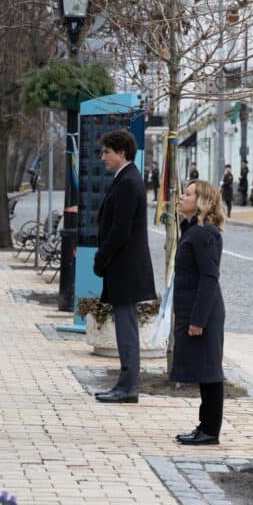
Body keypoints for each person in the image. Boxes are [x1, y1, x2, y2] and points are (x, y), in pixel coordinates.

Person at [93, 129, 157, 404]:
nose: (102, 157)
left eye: (106, 152)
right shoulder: (126, 179)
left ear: (121, 152)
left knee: (127, 329)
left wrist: (101, 258)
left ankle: (128, 386)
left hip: (125, 268)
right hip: (123, 267)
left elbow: (120, 231)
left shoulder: (129, 182)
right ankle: (124, 383)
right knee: (124, 327)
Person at [171, 180, 227, 446]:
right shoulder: (193, 229)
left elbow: (208, 278)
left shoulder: (205, 233)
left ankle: (210, 430)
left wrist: (198, 320)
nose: (182, 197)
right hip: (194, 308)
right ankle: (204, 425)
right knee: (204, 371)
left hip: (204, 310)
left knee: (210, 371)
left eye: (189, 194)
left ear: (202, 201)